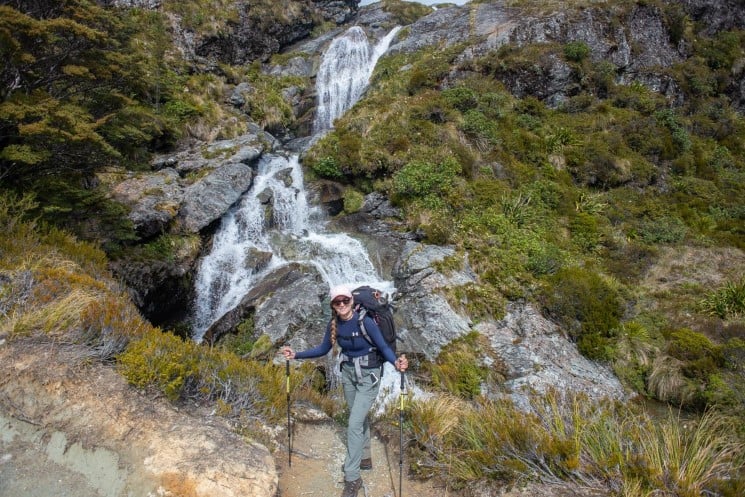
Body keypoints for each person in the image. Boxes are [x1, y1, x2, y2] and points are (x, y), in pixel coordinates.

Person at [283, 284, 408, 497]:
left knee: (354, 423)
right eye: (337, 302)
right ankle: (365, 456)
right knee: (357, 417)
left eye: (345, 301)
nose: (341, 305)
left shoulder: (365, 322)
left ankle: (352, 477)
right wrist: (296, 355)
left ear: (352, 301)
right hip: (348, 374)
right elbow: (323, 349)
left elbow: (384, 347)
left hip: (370, 376)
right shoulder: (334, 324)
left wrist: (396, 363)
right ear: (333, 305)